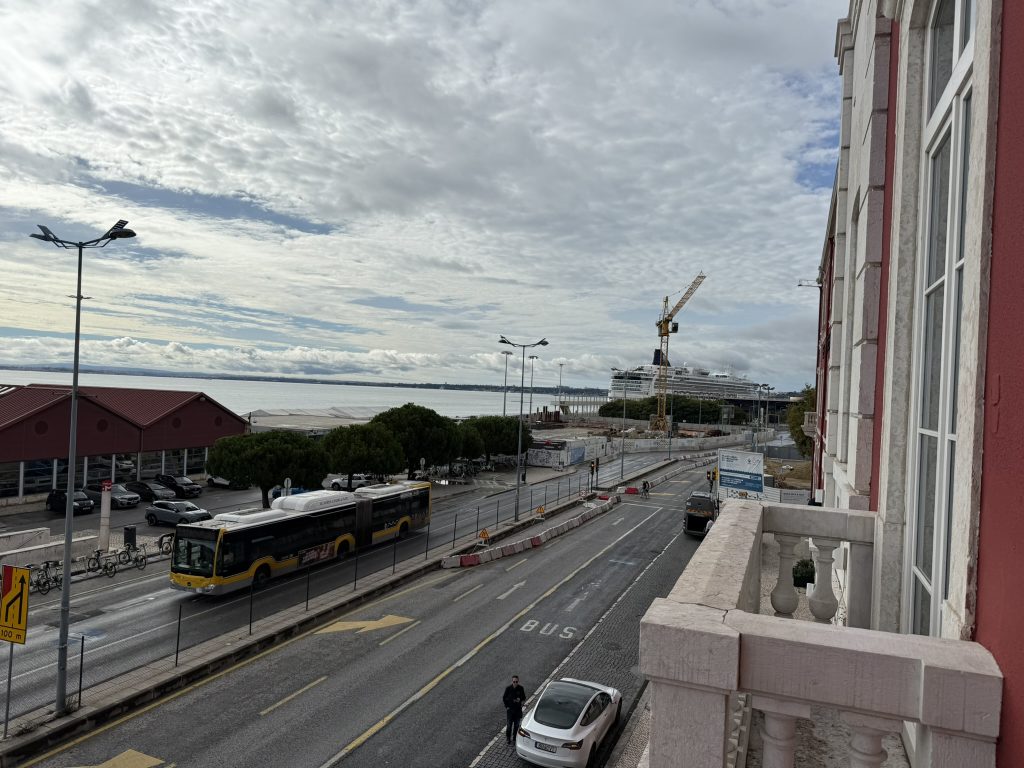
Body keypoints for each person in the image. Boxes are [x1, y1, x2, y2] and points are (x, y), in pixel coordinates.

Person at [503, 674, 526, 745]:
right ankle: (508, 738)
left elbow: (524, 697)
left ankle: (514, 739)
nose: (515, 683)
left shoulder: (521, 688)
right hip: (510, 711)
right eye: (514, 681)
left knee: (516, 726)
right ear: (512, 681)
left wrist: (521, 700)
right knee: (509, 726)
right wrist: (507, 706)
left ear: (518, 681)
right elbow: (504, 698)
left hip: (518, 711)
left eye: (516, 681)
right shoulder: (508, 689)